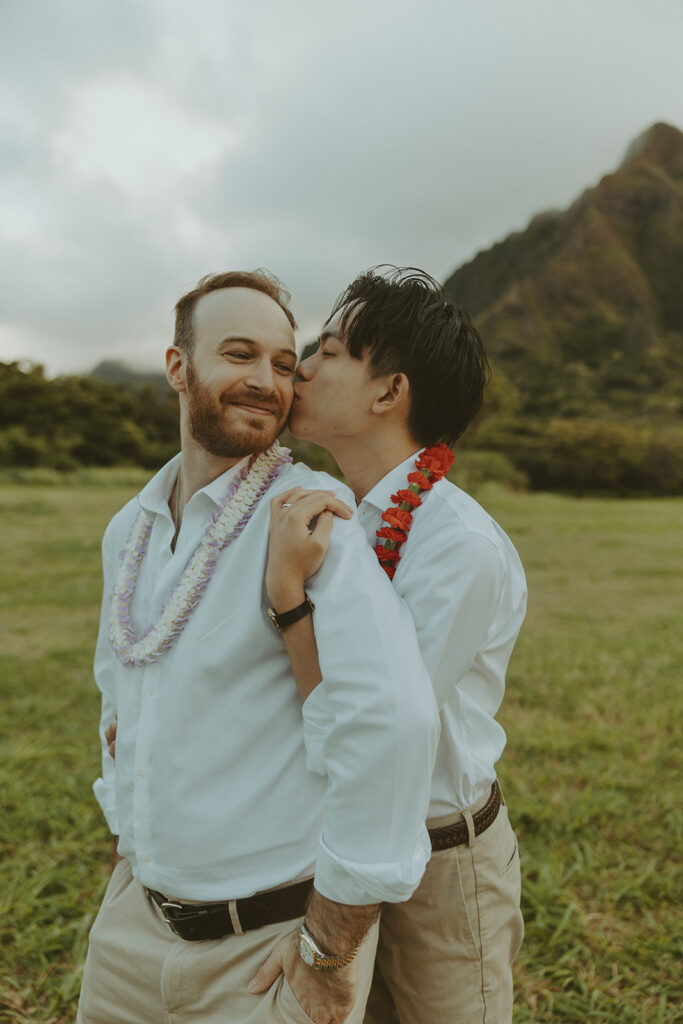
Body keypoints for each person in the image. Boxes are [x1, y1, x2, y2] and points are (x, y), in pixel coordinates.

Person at [78, 270, 439, 1024]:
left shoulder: (311, 520)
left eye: (283, 362)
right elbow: (121, 693)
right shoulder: (131, 529)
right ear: (179, 367)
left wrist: (330, 946)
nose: (266, 381)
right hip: (131, 933)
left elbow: (393, 724)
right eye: (239, 354)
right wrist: (128, 846)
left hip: (264, 953)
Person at [262, 267, 527, 1024]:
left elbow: (372, 721)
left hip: (441, 861)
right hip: (341, 841)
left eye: (330, 350)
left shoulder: (457, 544)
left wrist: (288, 601)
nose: (299, 367)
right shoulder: (334, 514)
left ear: (388, 392)